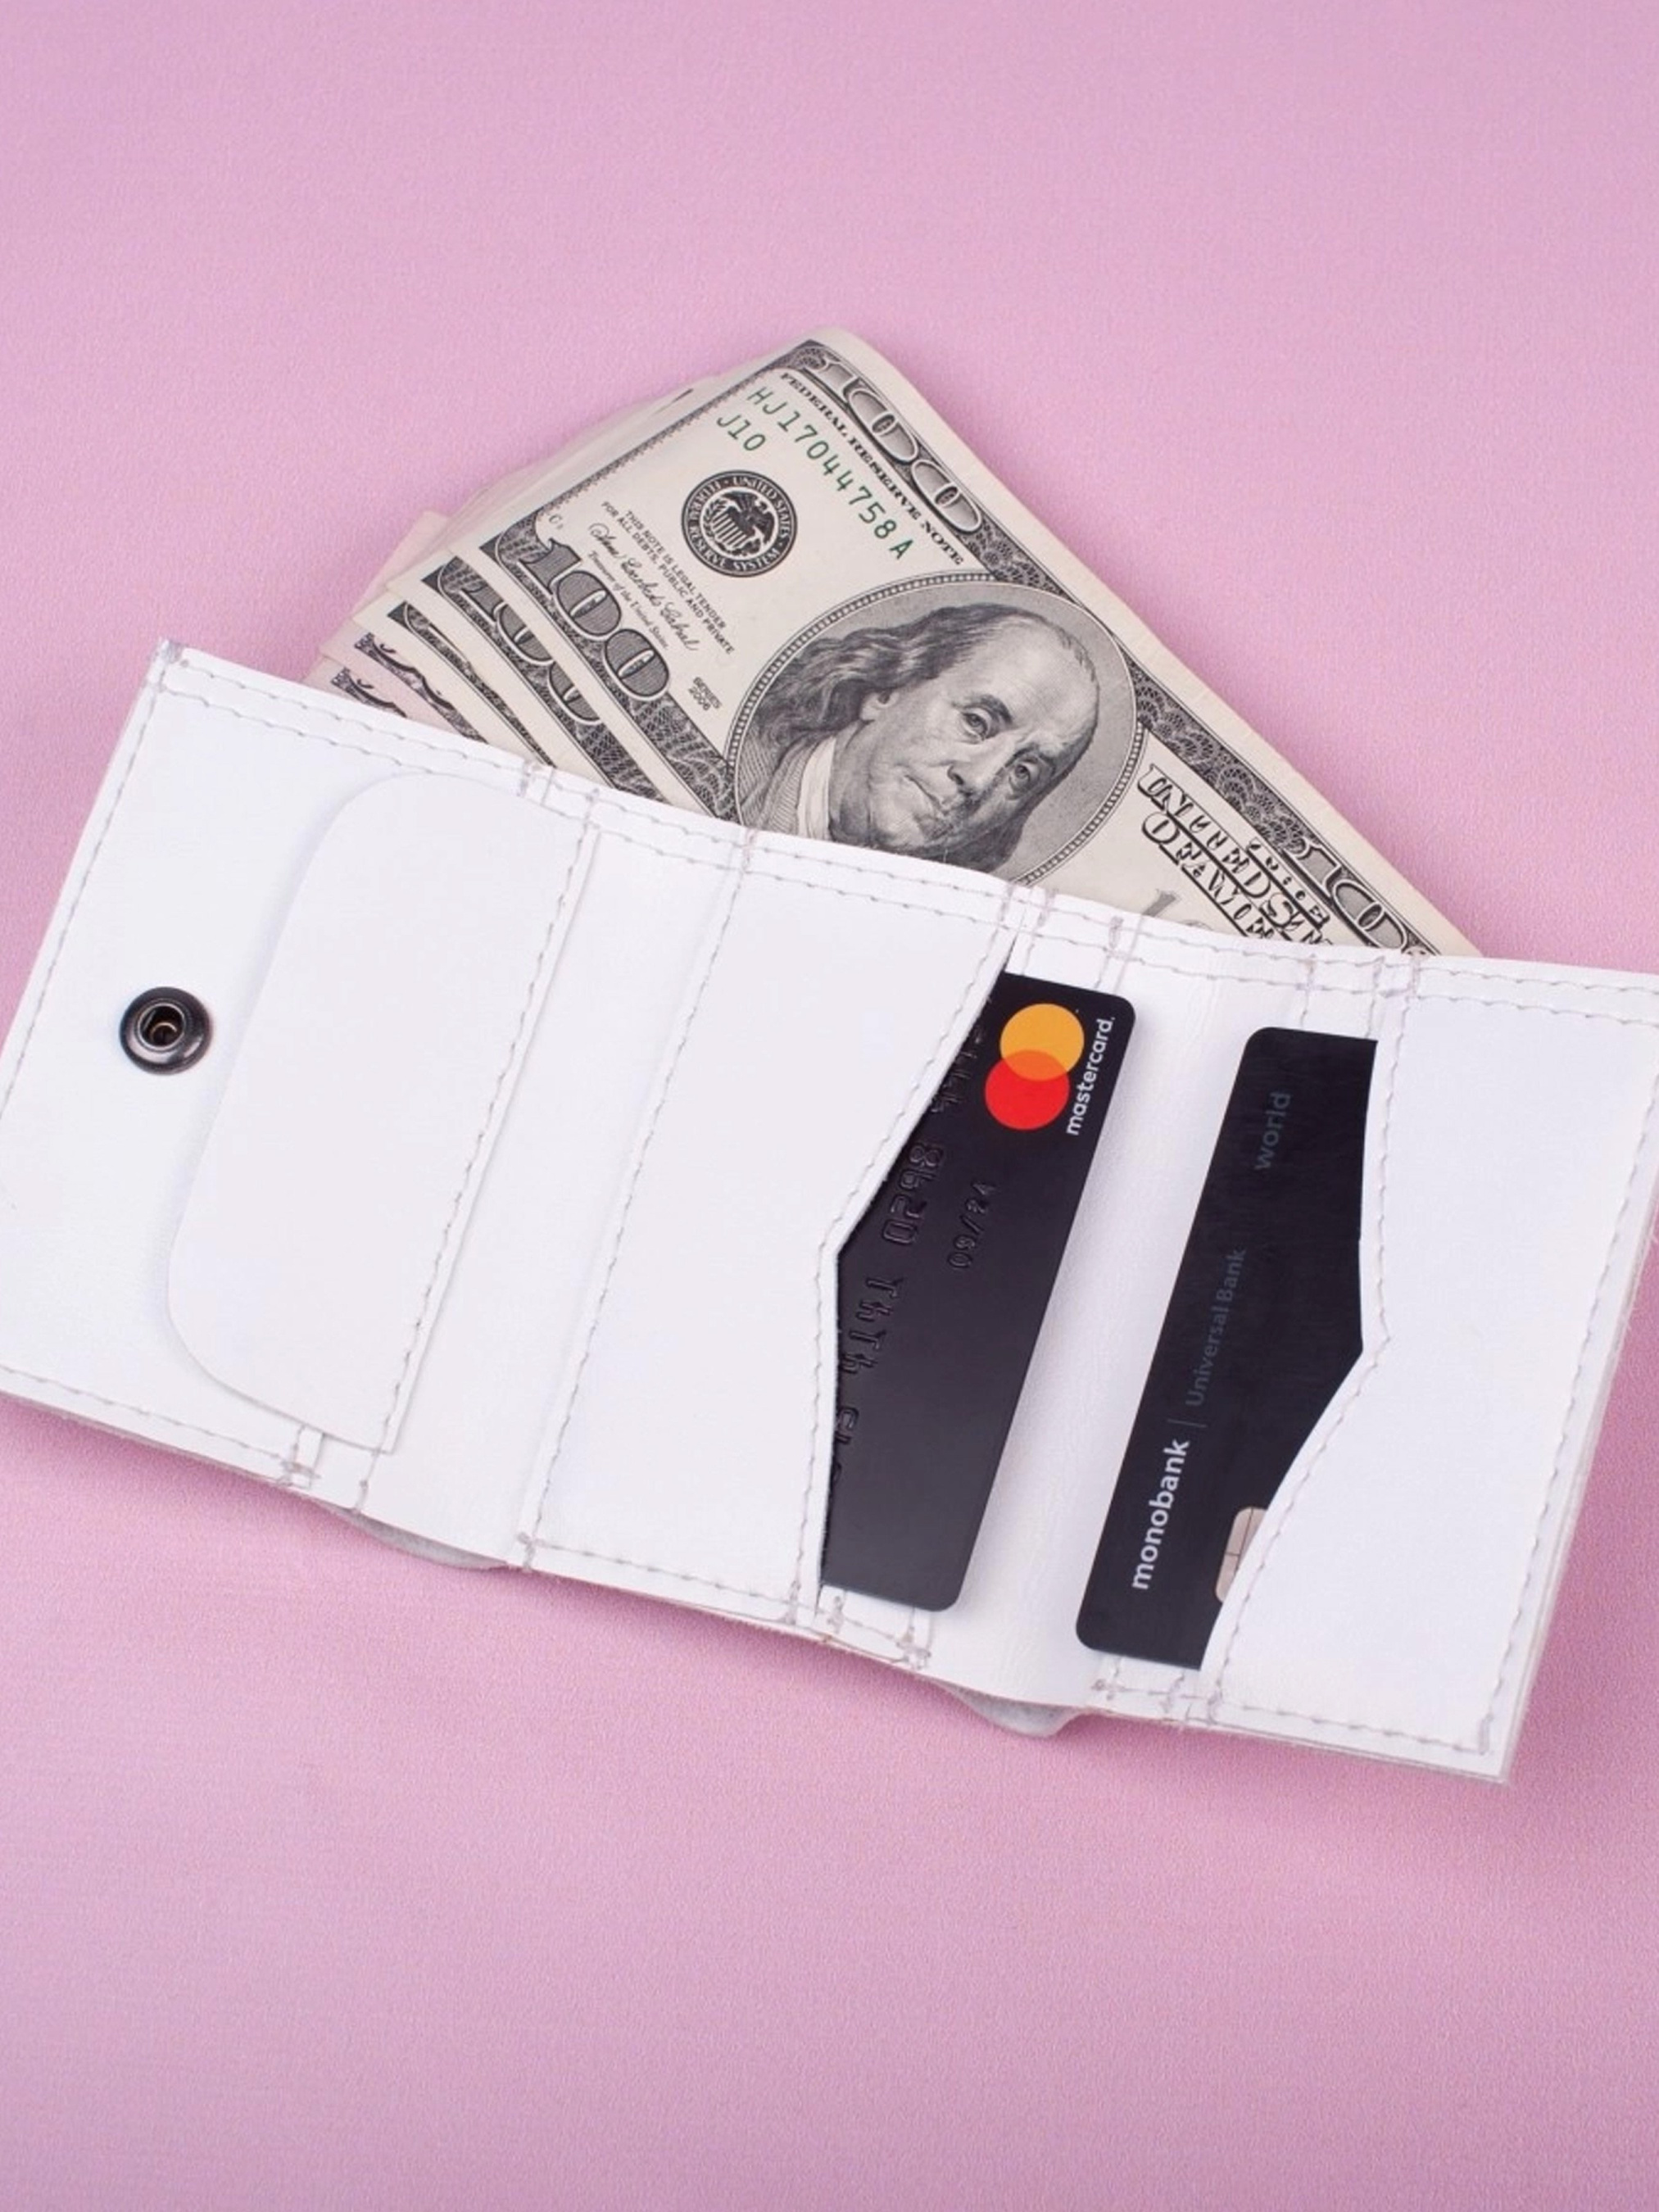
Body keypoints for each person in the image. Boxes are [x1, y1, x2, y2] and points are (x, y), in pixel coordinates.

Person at [739, 601, 1099, 873]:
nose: (978, 780)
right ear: (886, 692)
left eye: (1024, 773)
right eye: (976, 722)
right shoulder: (738, 774)